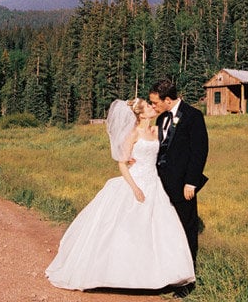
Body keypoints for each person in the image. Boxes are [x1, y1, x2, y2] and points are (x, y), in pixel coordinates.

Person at [45, 98, 195, 292]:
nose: (152, 107)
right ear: (140, 114)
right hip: (136, 181)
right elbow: (122, 163)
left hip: (154, 183)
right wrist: (135, 188)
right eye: (148, 106)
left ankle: (157, 275)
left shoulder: (157, 130)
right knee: (127, 228)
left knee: (158, 227)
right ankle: (117, 275)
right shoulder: (132, 133)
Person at [149, 79, 209, 295]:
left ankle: (187, 282)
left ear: (167, 100)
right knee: (166, 230)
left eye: (155, 102)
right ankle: (168, 275)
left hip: (184, 185)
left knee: (186, 228)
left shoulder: (193, 116)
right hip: (160, 184)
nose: (153, 106)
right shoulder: (162, 117)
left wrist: (191, 182)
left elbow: (199, 151)